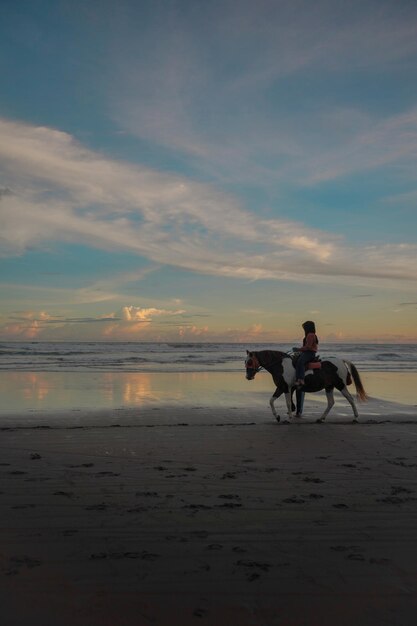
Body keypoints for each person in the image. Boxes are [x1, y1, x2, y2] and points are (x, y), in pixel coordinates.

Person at [294, 320, 319, 387]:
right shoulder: (311, 334)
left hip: (309, 353)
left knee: (300, 362)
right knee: (296, 360)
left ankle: (301, 379)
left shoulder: (310, 335)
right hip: (307, 352)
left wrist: (298, 349)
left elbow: (308, 347)